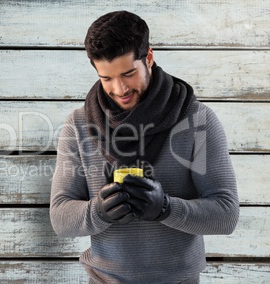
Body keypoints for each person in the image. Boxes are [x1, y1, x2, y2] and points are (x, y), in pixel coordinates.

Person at [50, 11, 239, 284]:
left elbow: (226, 214)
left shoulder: (198, 120)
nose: (119, 89)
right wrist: (98, 212)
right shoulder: (79, 125)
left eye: (128, 74)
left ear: (148, 57)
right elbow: (60, 218)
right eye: (107, 78)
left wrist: (166, 208)